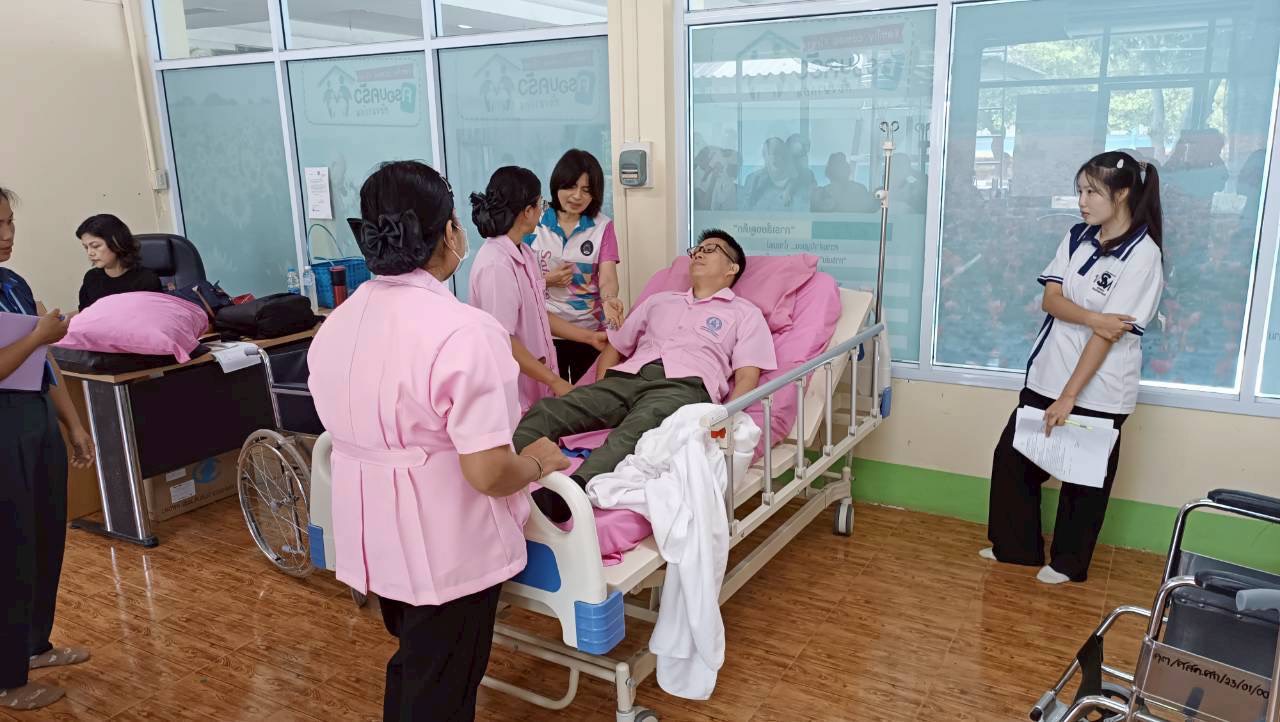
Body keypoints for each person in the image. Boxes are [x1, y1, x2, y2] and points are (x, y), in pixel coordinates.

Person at [307, 161, 570, 721]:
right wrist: (536, 463)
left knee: (414, 666)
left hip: (373, 535)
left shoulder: (337, 323)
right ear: (449, 233)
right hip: (447, 550)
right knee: (442, 690)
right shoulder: (464, 332)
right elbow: (487, 472)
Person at [981, 151, 1165, 584]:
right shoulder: (1077, 236)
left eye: (1091, 192)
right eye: (1079, 191)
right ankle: (1016, 548)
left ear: (1122, 194)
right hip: (1049, 372)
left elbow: (1108, 336)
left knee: (1084, 477)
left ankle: (1067, 563)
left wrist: (1070, 396)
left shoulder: (1143, 255)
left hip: (1100, 387)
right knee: (1013, 461)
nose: (1082, 201)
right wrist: (1093, 317)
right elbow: (1051, 300)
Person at [515, 229, 777, 523]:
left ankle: (570, 495)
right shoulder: (659, 301)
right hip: (627, 377)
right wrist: (601, 388)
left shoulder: (745, 313)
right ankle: (509, 465)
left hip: (683, 387)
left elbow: (747, 376)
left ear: (732, 268)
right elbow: (616, 346)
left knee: (632, 433)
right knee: (551, 409)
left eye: (711, 249)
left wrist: (724, 417)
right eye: (697, 249)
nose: (699, 254)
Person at [0, 187, 95, 711]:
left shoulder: (13, 283)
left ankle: (34, 645)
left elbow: (45, 359)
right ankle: (6, 678)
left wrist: (73, 424)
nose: (8, 234)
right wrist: (39, 335)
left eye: (10, 222)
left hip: (35, 417)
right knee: (10, 547)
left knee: (43, 535)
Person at [468, 166, 606, 411]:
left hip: (537, 386)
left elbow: (539, 315)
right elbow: (503, 340)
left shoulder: (525, 253)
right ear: (527, 212)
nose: (543, 211)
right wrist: (554, 380)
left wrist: (589, 337)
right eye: (541, 205)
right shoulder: (496, 265)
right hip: (515, 394)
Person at [527, 149, 623, 384]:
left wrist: (609, 299)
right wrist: (548, 280)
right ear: (557, 184)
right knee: (551, 394)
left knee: (586, 394)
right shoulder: (536, 222)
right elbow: (521, 278)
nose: (577, 196)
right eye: (570, 187)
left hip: (590, 332)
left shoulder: (602, 226)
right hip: (546, 331)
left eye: (586, 190)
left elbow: (607, 277)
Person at [75, 214, 162, 311]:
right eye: (86, 247)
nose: (90, 253)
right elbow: (85, 314)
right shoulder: (91, 278)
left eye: (95, 246)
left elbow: (156, 316)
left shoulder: (146, 280)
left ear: (117, 243)